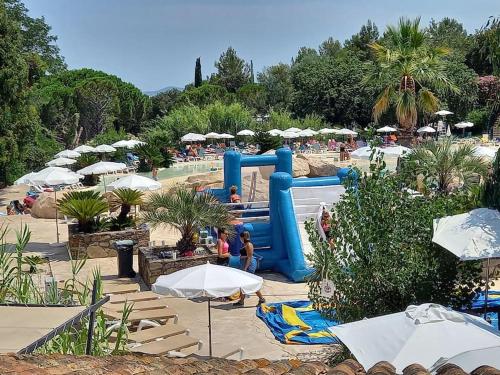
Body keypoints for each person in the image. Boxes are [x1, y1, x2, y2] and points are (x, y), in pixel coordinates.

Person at [234, 231, 266, 307]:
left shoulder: (249, 244)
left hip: (249, 265)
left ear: (243, 237)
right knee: (244, 283)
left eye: (241, 237)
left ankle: (261, 299)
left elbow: (249, 257)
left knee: (249, 283)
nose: (240, 239)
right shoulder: (245, 244)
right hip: (245, 264)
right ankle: (242, 301)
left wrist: (245, 268)